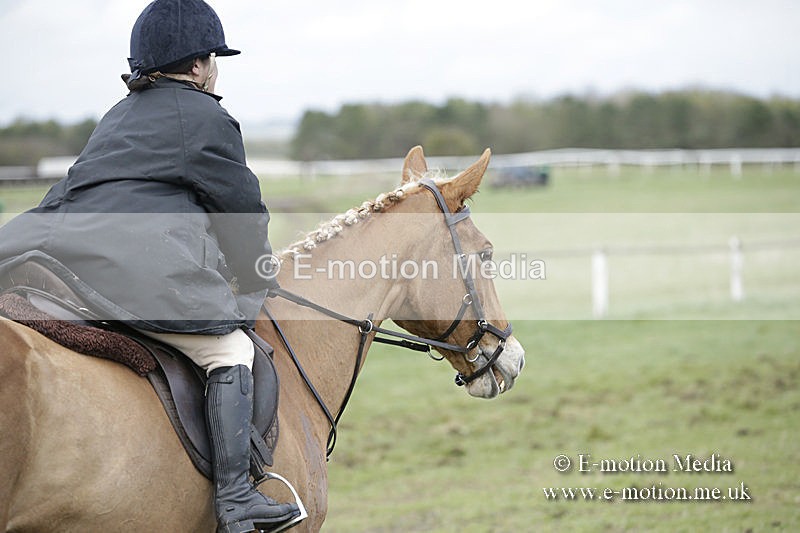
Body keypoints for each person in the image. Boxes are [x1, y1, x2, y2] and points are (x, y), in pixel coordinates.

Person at [0, 1, 300, 531]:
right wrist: (254, 280)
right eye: (214, 60)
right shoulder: (208, 115)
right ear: (199, 64)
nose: (215, 70)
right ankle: (235, 501)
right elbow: (240, 211)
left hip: (50, 255)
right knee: (228, 348)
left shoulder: (118, 115)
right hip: (127, 268)